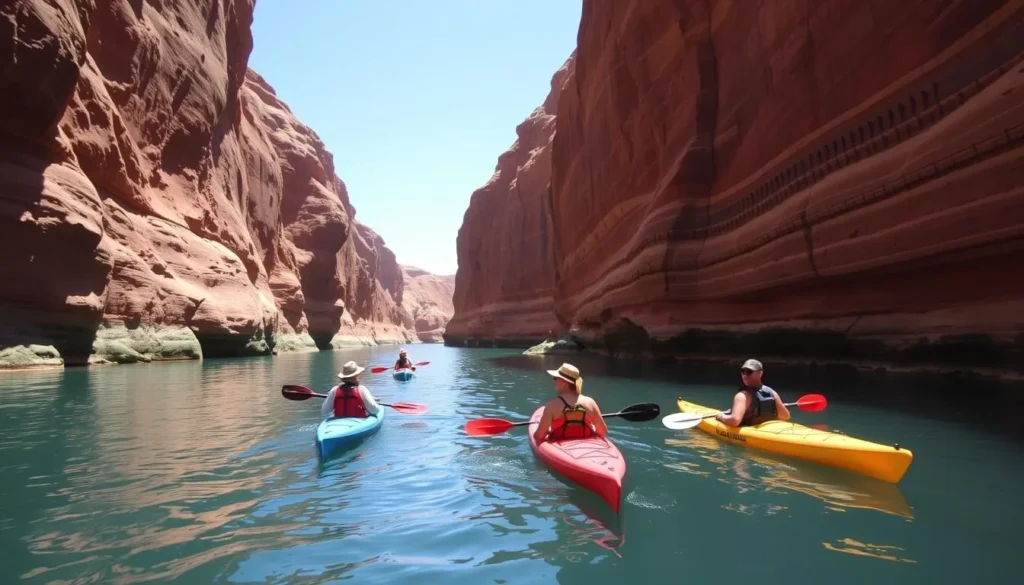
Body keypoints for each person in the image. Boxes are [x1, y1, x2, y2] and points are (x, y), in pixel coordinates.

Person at [532, 363, 609, 442]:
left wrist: (548, 430)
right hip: (586, 447)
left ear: (564, 383)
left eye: (556, 378)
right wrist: (591, 428)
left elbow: (539, 436)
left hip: (561, 448)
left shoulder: (552, 406)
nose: (554, 381)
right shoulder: (590, 403)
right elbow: (602, 432)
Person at [714, 358, 791, 427]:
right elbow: (785, 416)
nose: (744, 375)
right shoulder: (772, 393)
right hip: (765, 430)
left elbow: (734, 421)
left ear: (760, 374)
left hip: (750, 433)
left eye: (749, 372)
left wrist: (721, 417)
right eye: (743, 371)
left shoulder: (742, 396)